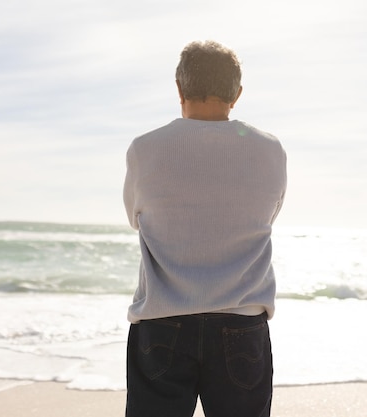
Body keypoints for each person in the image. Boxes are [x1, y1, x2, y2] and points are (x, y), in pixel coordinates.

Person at [123, 40, 287, 417]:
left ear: (179, 88)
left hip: (163, 323)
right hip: (241, 325)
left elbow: (135, 217)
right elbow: (268, 216)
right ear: (238, 94)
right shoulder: (270, 149)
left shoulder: (144, 148)